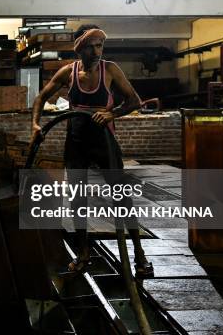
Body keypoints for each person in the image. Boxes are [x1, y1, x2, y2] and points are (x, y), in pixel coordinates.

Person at [30, 24, 154, 277]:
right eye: (92, 46)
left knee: (121, 197)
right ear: (80, 49)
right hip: (77, 141)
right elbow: (41, 97)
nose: (97, 51)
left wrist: (111, 113)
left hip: (104, 142)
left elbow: (134, 101)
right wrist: (35, 124)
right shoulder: (68, 72)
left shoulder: (111, 70)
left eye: (100, 45)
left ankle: (139, 255)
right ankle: (84, 253)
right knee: (77, 199)